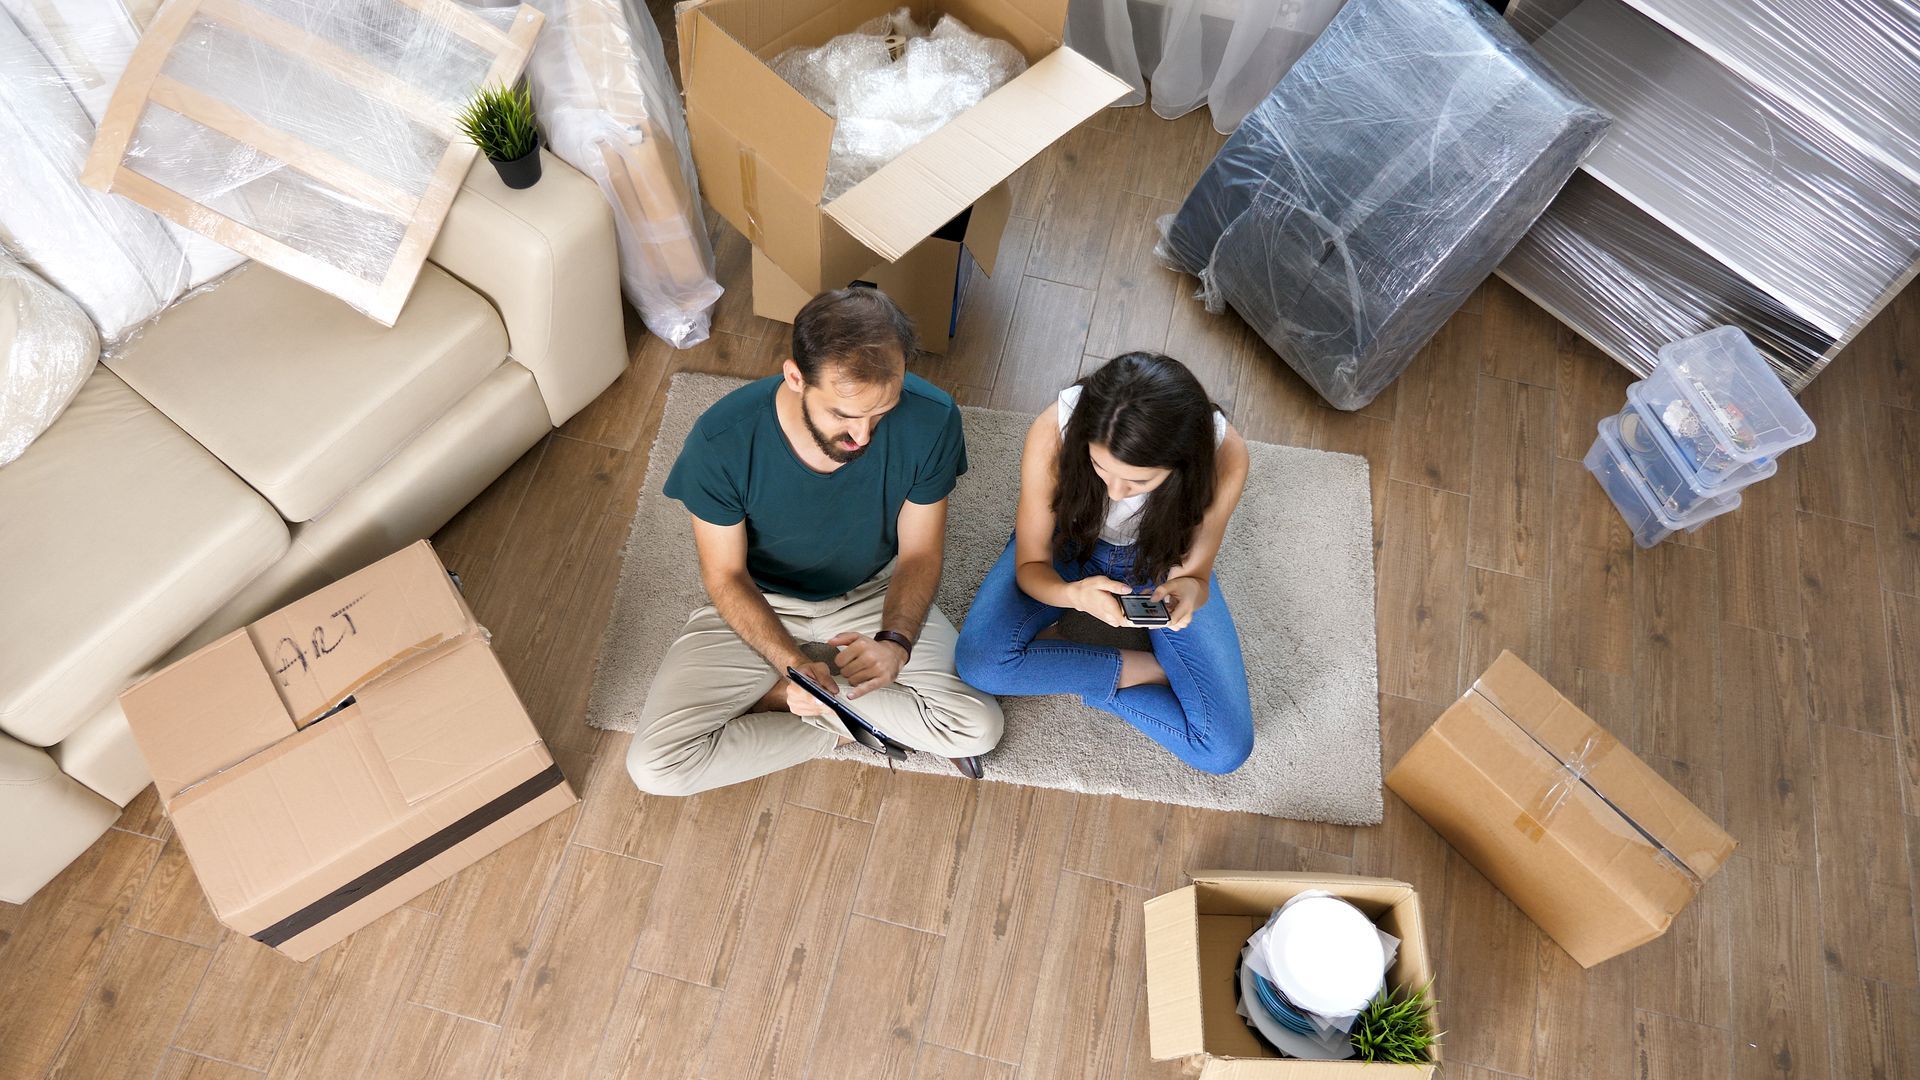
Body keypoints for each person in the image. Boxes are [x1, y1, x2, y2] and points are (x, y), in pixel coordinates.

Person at [627, 287, 1002, 796]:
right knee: (656, 767)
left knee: (978, 727)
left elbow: (919, 553)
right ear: (795, 377)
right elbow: (725, 576)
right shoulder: (721, 441)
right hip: (760, 600)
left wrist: (896, 641)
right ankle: (838, 719)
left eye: (881, 412)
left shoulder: (932, 419)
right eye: (844, 415)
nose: (864, 436)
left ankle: (795, 704)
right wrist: (795, 667)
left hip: (870, 594)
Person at [954, 351, 1253, 774]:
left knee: (1224, 750)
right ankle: (1141, 669)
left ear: (1183, 463)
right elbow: (1031, 564)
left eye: (1138, 482)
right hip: (1069, 547)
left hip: (1158, 562)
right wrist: (1072, 594)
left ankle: (1079, 669)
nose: (1115, 493)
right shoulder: (1053, 429)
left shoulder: (1225, 455)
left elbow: (1196, 574)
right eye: (1099, 467)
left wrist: (1188, 589)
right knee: (979, 663)